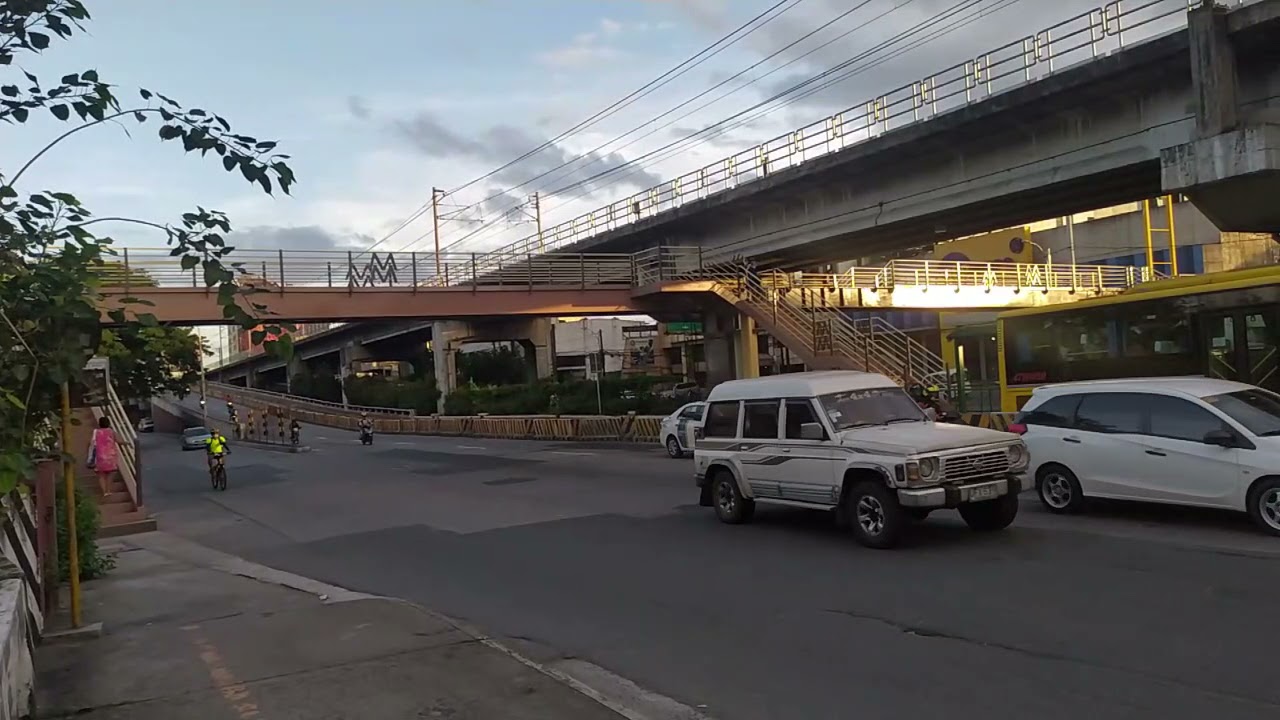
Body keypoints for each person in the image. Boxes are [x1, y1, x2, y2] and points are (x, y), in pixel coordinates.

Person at [89, 416, 120, 497]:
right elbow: (119, 440)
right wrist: (127, 443)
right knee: (111, 472)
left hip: (99, 456)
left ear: (99, 424)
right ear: (108, 423)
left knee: (101, 475)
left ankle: (104, 492)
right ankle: (108, 490)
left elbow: (92, 443)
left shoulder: (96, 432)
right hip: (110, 456)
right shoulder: (111, 432)